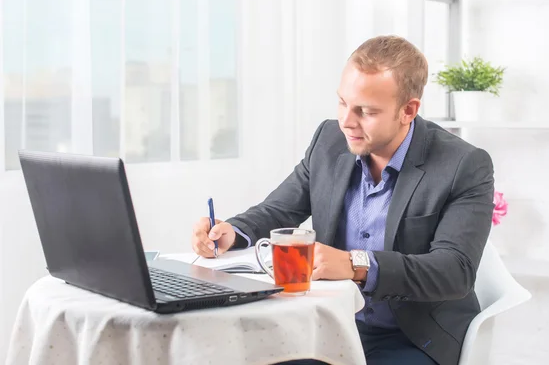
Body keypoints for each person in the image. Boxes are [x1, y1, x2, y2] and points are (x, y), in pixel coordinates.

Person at [192, 35, 495, 365]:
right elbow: (281, 207)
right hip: (330, 324)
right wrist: (232, 231)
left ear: (408, 110)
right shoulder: (329, 140)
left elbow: (454, 271)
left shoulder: (463, 164)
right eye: (342, 103)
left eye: (365, 111)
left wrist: (356, 265)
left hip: (412, 336)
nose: (346, 121)